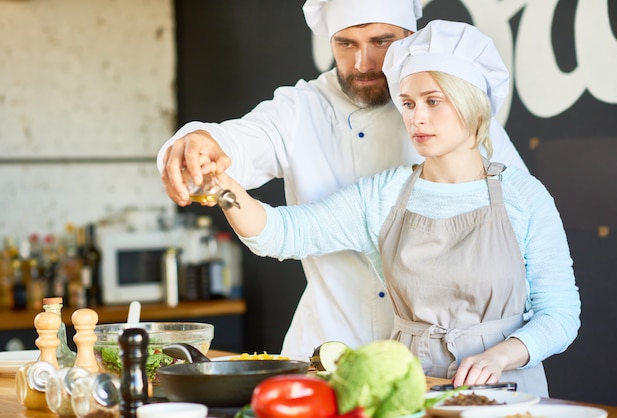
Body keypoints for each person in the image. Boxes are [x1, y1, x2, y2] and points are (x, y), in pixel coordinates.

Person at [207, 20, 581, 396]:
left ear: (472, 105)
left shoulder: (524, 196)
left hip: (509, 390)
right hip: (409, 390)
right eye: (408, 103)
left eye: (433, 101)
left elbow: (560, 314)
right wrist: (221, 186)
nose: (416, 117)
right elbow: (283, 234)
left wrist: (499, 356)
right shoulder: (384, 194)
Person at [157, 0, 529, 358]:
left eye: (381, 42)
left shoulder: (457, 112)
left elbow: (517, 233)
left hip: (442, 360)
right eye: (345, 43)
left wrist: (506, 352)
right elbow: (241, 147)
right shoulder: (301, 110)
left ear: (410, 35)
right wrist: (202, 143)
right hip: (329, 348)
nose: (362, 62)